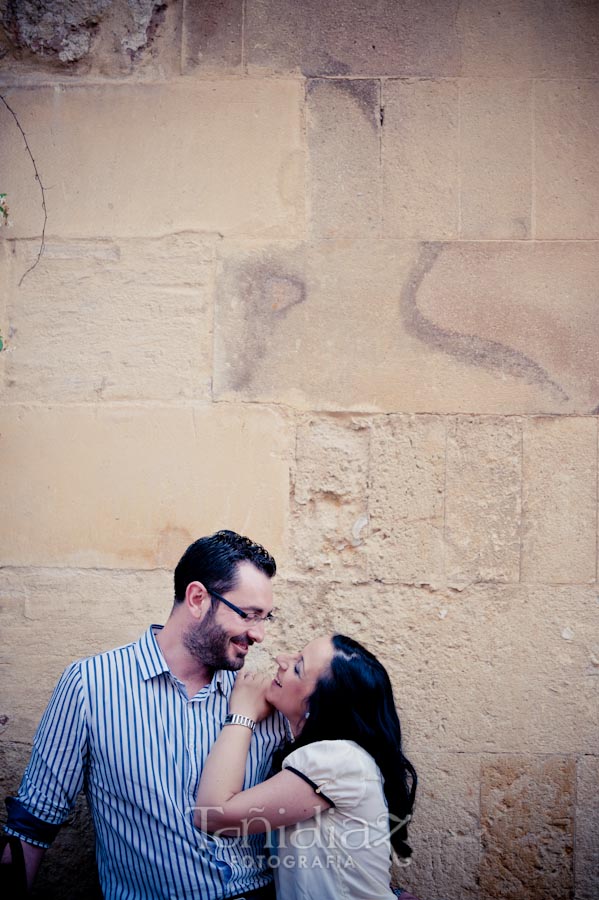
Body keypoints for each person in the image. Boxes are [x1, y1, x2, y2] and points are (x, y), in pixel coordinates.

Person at [1, 529, 288, 900]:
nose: (260, 634)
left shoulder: (259, 695)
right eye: (249, 615)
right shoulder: (91, 685)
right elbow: (33, 825)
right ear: (198, 598)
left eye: (266, 618)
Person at [194, 634, 418, 900]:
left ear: (321, 706)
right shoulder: (341, 759)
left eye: (298, 667)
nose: (281, 659)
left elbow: (213, 814)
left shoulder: (335, 758)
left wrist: (242, 714)